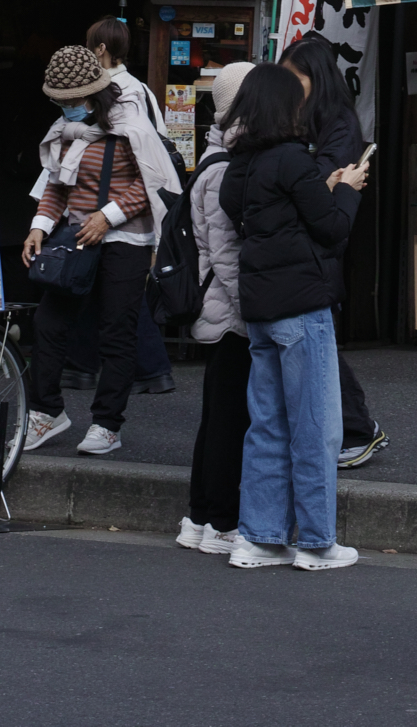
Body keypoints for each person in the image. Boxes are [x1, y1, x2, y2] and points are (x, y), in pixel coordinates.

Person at [221, 61, 367, 571]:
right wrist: (347, 187)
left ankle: (258, 537)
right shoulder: (292, 159)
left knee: (266, 426)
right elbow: (330, 229)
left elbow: (274, 220)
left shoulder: (237, 166)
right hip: (302, 306)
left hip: (259, 306)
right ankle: (317, 542)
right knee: (315, 426)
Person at [20, 45, 181, 457]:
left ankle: (108, 424)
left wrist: (107, 217)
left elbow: (152, 182)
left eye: (72, 102)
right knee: (49, 323)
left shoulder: (130, 123)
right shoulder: (66, 129)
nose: (66, 109)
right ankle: (45, 412)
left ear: (93, 94)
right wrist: (40, 226)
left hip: (125, 241)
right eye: (60, 102)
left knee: (117, 332)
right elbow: (57, 183)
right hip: (76, 235)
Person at [280, 30, 389, 468]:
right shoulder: (301, 117)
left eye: (295, 78)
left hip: (323, 237)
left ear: (316, 78)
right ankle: (345, 429)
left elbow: (325, 183)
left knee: (315, 337)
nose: (289, 87)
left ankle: (360, 429)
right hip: (304, 236)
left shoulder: (340, 122)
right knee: (309, 338)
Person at [62, 16, 177, 398]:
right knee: (108, 295)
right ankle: (89, 368)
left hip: (117, 207)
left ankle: (136, 371)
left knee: (116, 302)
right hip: (114, 208)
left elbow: (144, 155)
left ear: (100, 50)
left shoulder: (118, 91)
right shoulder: (142, 88)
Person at [179, 60, 255, 558]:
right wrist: (254, 309)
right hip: (229, 313)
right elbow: (226, 255)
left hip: (220, 309)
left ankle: (200, 516)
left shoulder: (216, 158)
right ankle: (220, 520)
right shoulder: (224, 166)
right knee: (229, 419)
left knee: (218, 417)